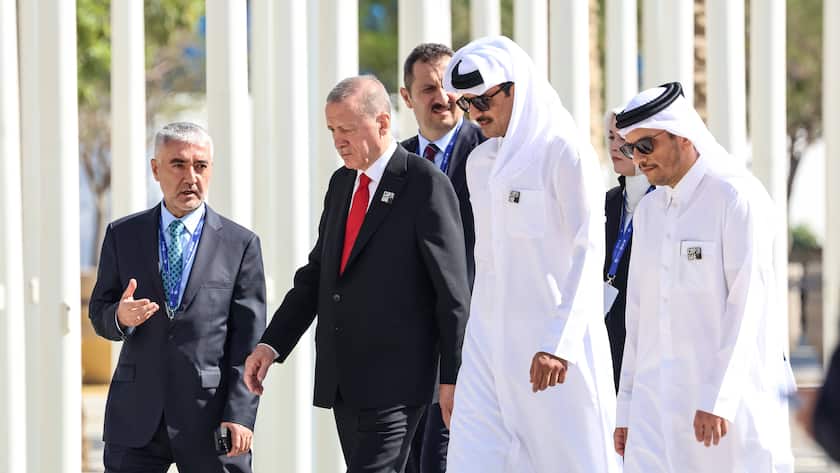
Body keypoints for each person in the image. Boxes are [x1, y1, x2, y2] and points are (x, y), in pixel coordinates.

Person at [243, 76, 470, 473]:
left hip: (400, 382)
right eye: (332, 130)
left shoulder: (424, 184)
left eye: (346, 129)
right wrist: (271, 345)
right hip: (345, 379)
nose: (338, 140)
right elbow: (318, 276)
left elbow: (452, 294)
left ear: (382, 122)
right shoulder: (341, 182)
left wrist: (453, 377)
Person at [442, 36, 621, 473]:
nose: (476, 112)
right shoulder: (479, 163)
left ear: (516, 88)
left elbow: (588, 249)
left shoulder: (564, 150)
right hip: (490, 351)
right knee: (470, 461)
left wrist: (559, 344)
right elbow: (485, 265)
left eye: (484, 98)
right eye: (467, 104)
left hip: (555, 354)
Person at [613, 82, 795, 472]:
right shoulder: (649, 211)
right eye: (630, 148)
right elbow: (638, 317)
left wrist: (719, 400)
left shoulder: (736, 198)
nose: (638, 159)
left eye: (646, 145)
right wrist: (626, 406)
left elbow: (747, 308)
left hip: (724, 411)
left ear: (682, 137)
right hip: (655, 409)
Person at [89, 122, 266, 473]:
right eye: (178, 165)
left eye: (200, 166)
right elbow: (99, 312)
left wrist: (240, 415)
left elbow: (248, 342)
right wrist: (120, 318)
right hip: (136, 417)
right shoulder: (123, 235)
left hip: (210, 418)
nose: (191, 177)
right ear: (156, 169)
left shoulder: (240, 244)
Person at [398, 42, 486, 473]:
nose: (443, 97)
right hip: (403, 349)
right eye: (428, 88)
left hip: (469, 340)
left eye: (450, 86)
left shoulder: (489, 152)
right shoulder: (390, 164)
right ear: (406, 97)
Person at [603, 107, 653, 391]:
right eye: (610, 137)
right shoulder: (607, 202)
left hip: (643, 338)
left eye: (623, 138)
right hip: (608, 333)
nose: (615, 146)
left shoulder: (662, 202)